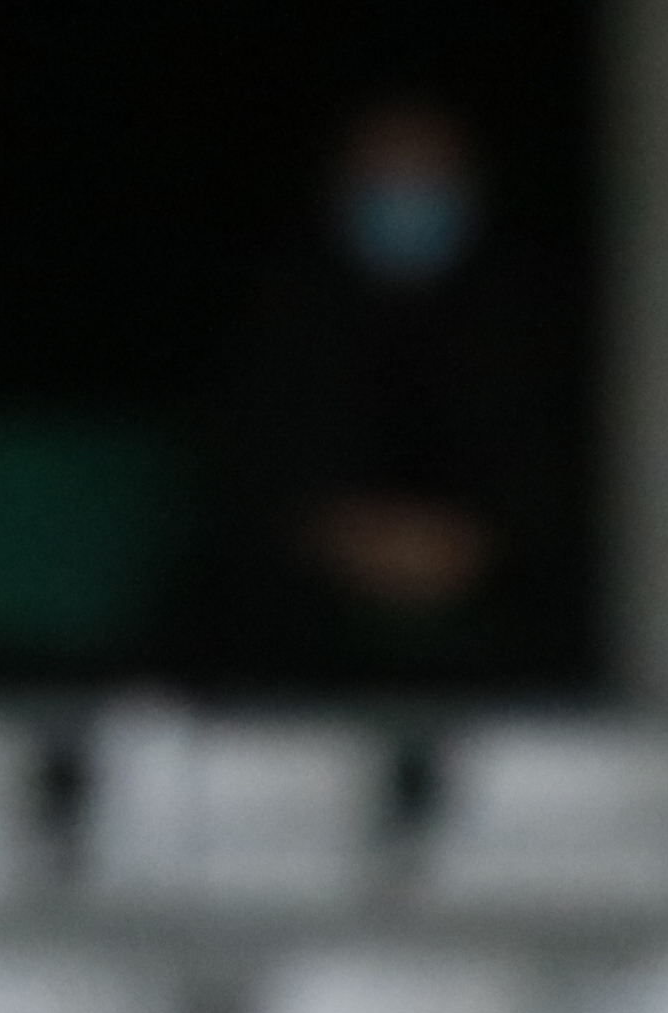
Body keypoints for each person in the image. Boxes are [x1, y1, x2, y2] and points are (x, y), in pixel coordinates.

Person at [217, 94, 569, 677]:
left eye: (428, 178)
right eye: (386, 178)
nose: (407, 199)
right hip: (296, 641)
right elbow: (252, 476)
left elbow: (549, 477)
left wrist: (474, 547)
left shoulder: (525, 324)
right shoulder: (285, 321)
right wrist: (343, 539)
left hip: (506, 639)